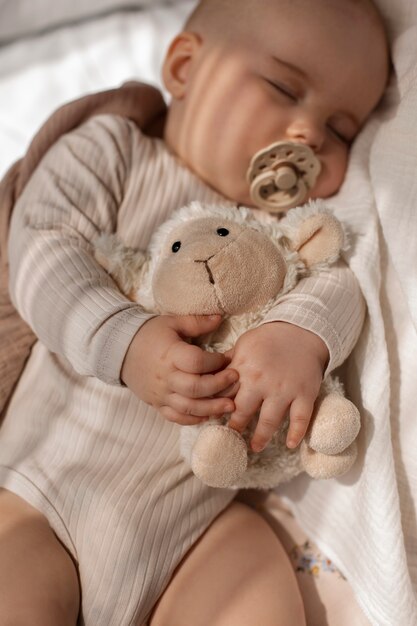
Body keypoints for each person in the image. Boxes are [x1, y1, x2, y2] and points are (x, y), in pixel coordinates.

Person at [0, 0, 389, 624]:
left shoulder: (291, 229)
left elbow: (339, 287)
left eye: (341, 130)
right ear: (185, 69)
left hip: (193, 525)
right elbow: (42, 247)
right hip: (42, 492)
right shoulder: (115, 150)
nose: (309, 135)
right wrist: (126, 342)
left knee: (254, 576)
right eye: (284, 87)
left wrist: (298, 337)